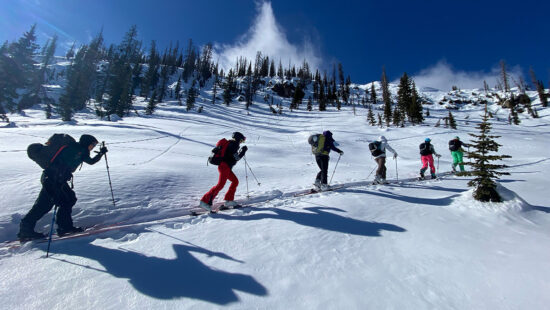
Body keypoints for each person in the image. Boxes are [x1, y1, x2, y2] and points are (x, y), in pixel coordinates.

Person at [18, 134, 107, 240]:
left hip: (58, 180)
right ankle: (26, 231)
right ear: (86, 142)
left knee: (68, 199)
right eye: (92, 144)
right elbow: (61, 162)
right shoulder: (75, 149)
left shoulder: (82, 151)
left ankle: (65, 227)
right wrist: (59, 174)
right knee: (44, 205)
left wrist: (101, 154)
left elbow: (90, 161)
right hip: (53, 179)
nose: (93, 147)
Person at [199, 132, 248, 211]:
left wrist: (241, 151)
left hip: (226, 167)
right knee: (220, 185)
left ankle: (229, 200)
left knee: (235, 181)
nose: (242, 142)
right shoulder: (234, 145)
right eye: (242, 140)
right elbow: (236, 158)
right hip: (224, 167)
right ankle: (204, 201)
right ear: (238, 138)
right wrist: (243, 151)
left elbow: (232, 156)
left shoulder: (230, 143)